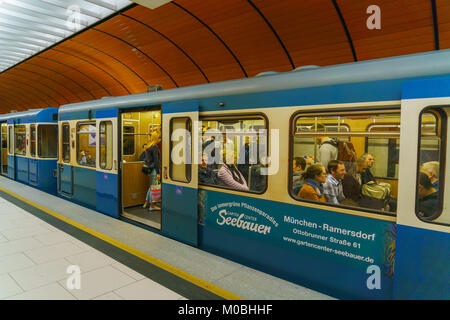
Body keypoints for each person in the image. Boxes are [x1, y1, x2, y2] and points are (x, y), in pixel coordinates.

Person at [142, 131, 162, 211]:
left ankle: (146, 203)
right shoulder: (155, 147)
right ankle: (152, 205)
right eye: (159, 137)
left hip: (149, 170)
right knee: (155, 188)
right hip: (154, 170)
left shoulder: (148, 146)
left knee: (151, 187)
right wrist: (158, 173)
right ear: (156, 138)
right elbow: (156, 161)